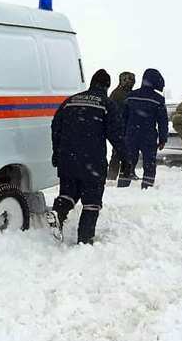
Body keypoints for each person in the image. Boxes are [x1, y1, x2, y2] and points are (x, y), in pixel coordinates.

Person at [50, 69, 126, 244]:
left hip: (67, 158)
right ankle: (85, 239)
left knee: (68, 192)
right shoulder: (107, 104)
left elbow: (55, 126)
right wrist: (126, 160)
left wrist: (56, 151)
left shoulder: (69, 101)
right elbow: (117, 136)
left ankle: (58, 212)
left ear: (92, 83)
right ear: (107, 86)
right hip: (92, 160)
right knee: (92, 201)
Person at [118, 68, 169, 189]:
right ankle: (147, 187)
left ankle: (122, 186)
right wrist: (163, 139)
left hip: (131, 135)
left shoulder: (131, 96)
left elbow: (123, 118)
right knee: (149, 163)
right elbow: (163, 122)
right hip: (148, 136)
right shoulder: (158, 99)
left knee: (128, 161)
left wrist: (122, 135)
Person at [106, 71, 136, 182]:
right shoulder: (118, 94)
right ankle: (113, 176)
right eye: (130, 79)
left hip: (124, 127)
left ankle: (118, 175)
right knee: (119, 153)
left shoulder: (125, 93)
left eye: (132, 80)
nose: (132, 82)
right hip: (120, 127)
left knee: (122, 152)